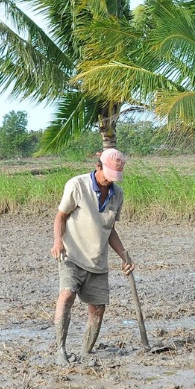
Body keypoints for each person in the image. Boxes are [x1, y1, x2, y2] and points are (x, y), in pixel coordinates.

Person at [51, 148, 134, 366]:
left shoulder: (118, 194)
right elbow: (61, 216)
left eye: (114, 177)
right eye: (107, 175)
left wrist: (124, 256)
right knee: (67, 295)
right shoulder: (77, 185)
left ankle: (86, 352)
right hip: (72, 254)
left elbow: (109, 229)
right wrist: (58, 241)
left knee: (98, 308)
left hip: (98, 260)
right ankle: (60, 350)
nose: (109, 181)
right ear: (98, 167)